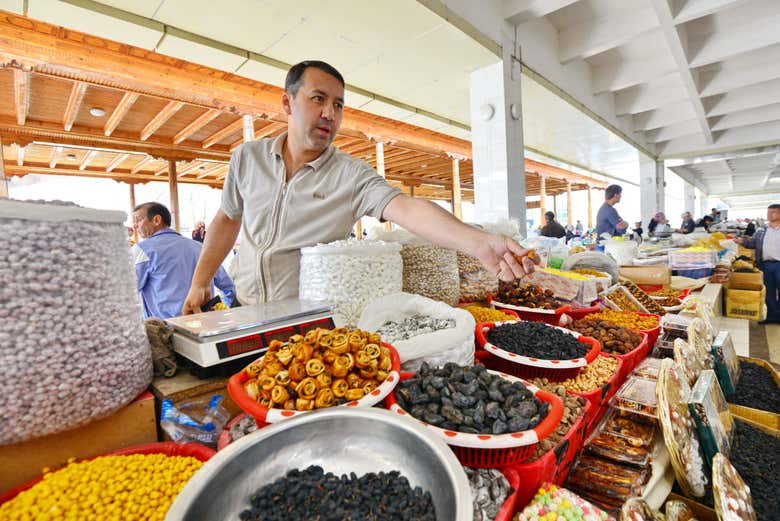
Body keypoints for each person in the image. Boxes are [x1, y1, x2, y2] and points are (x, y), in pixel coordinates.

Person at [182, 60, 536, 313]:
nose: (329, 114)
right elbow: (228, 220)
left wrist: (479, 242)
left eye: (338, 105)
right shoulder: (248, 157)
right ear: (288, 103)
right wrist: (201, 282)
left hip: (308, 319)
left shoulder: (351, 176)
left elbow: (407, 208)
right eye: (318, 99)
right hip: (242, 307)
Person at [132, 202, 236, 319]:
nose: (135, 226)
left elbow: (126, 292)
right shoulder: (201, 247)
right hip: (205, 325)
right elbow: (229, 288)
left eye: (138, 220)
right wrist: (226, 313)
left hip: (166, 330)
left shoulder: (142, 250)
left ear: (156, 220)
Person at [736, 204, 780, 324]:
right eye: (768, 212)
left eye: (773, 212)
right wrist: (742, 242)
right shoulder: (762, 229)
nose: (770, 214)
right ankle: (773, 316)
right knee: (769, 292)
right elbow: (752, 243)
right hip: (765, 264)